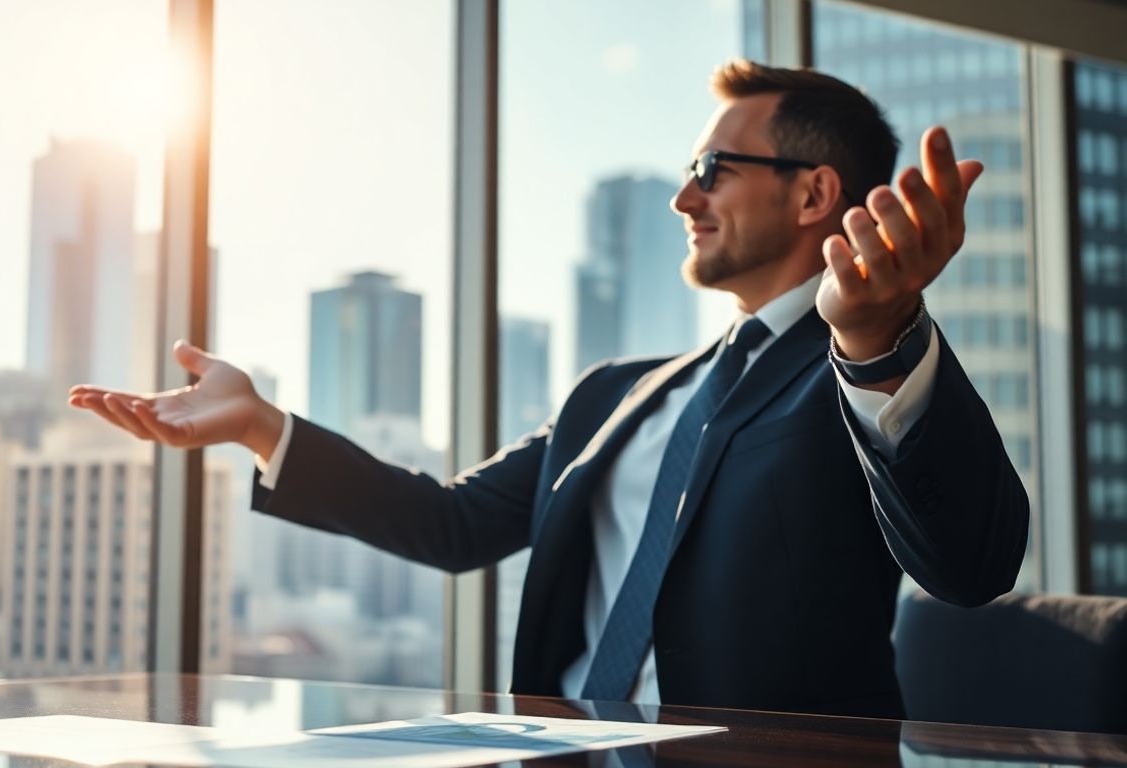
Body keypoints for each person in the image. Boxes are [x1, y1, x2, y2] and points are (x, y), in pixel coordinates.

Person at [69, 60, 1029, 719]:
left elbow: (970, 565)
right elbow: (450, 524)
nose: (681, 198)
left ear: (813, 194)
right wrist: (263, 425)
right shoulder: (614, 396)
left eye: (708, 171)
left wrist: (872, 338)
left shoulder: (861, 368)